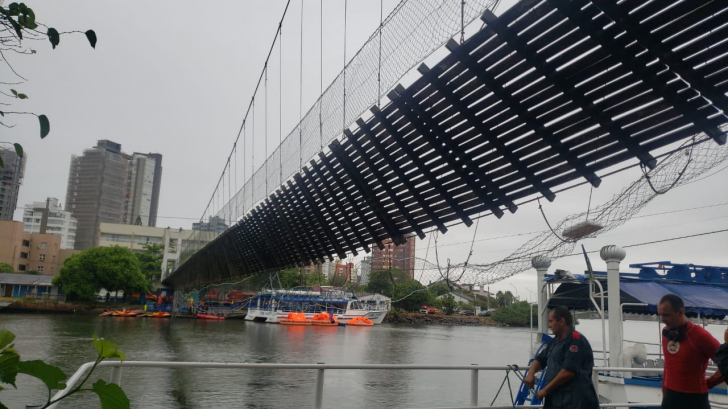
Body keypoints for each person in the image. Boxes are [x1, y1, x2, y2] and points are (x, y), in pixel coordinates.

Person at [523, 306, 598, 409]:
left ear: (561, 321)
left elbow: (568, 372)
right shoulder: (556, 341)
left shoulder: (576, 341)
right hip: (556, 400)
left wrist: (545, 390)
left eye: (551, 321)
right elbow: (540, 359)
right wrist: (531, 373)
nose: (549, 325)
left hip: (575, 401)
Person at [658, 294, 723, 409]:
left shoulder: (700, 336)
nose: (663, 319)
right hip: (670, 397)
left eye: (667, 315)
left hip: (694, 399)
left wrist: (708, 383)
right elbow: (668, 366)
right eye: (661, 315)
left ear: (680, 312)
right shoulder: (666, 334)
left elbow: (726, 363)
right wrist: (664, 392)